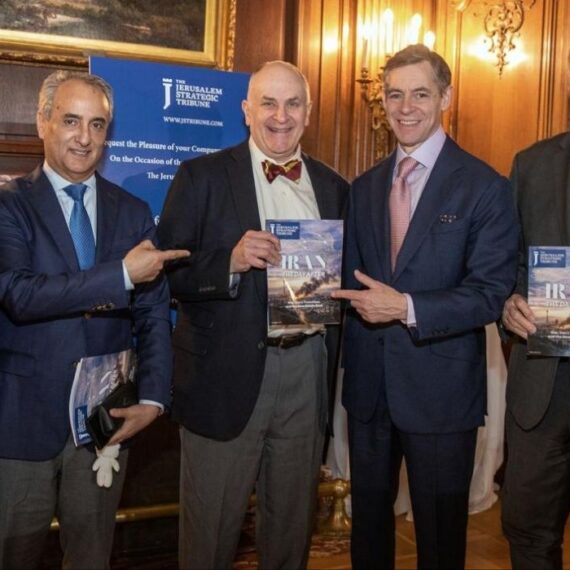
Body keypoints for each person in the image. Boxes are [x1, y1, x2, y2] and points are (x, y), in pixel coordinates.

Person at [331, 44, 518, 569]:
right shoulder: (364, 188)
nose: (405, 107)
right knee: (369, 536)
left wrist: (405, 307)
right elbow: (348, 282)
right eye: (394, 95)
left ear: (445, 97)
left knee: (439, 541)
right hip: (369, 390)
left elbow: (489, 293)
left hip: (441, 394)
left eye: (420, 94)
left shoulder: (484, 186)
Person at [158, 60, 349, 569]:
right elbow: (166, 273)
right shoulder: (202, 176)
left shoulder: (334, 188)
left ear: (308, 112)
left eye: (292, 104)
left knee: (290, 529)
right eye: (268, 103)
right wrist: (231, 261)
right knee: (209, 534)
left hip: (307, 368)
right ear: (246, 110)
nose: (280, 116)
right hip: (223, 375)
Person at [0, 70, 189, 570]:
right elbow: (19, 295)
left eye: (97, 124)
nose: (84, 137)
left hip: (104, 424)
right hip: (20, 425)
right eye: (70, 121)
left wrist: (153, 398)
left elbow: (153, 313)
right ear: (42, 123)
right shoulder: (9, 205)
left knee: (91, 558)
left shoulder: (132, 211)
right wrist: (120, 274)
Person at [500, 132, 570, 570]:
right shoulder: (532, 164)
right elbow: (509, 264)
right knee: (528, 531)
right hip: (544, 385)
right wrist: (509, 302)